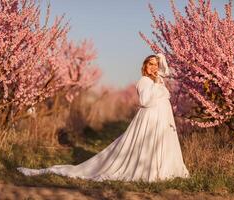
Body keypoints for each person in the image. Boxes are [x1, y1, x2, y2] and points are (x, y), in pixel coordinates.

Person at [17, 53, 190, 182]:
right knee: (147, 145)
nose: (153, 67)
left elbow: (165, 82)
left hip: (162, 120)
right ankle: (150, 171)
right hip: (150, 118)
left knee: (160, 143)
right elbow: (145, 101)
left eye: (156, 64)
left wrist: (161, 72)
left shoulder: (158, 80)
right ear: (145, 66)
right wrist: (157, 85)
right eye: (150, 64)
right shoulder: (144, 81)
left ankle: (163, 170)